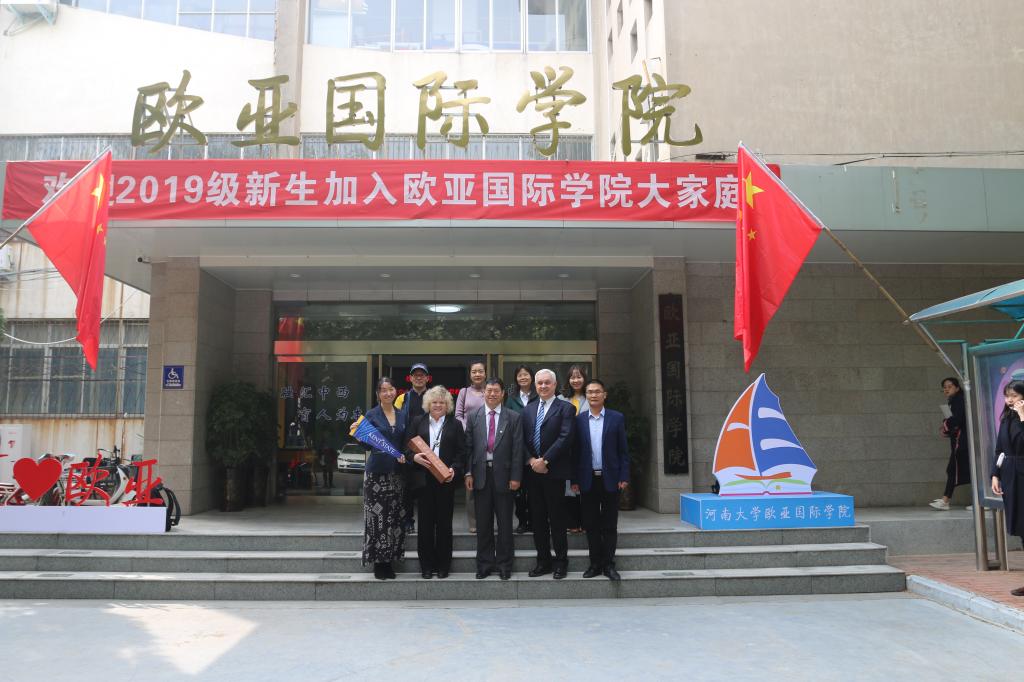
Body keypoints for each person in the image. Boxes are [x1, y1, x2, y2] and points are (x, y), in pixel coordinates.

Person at [464, 378, 525, 580]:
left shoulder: (513, 417)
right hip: (480, 476)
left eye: (496, 391)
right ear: (484, 393)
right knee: (483, 524)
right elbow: (468, 448)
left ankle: (505, 564)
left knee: (505, 523)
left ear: (502, 393)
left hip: (505, 477)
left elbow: (517, 450)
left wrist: (516, 477)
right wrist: (468, 472)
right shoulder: (473, 416)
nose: (492, 394)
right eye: (489, 390)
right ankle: (485, 564)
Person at [571, 379, 629, 581]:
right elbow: (575, 453)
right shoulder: (579, 420)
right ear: (586, 395)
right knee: (591, 524)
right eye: (590, 392)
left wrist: (624, 476)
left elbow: (623, 451)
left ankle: (609, 565)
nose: (593, 395)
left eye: (597, 391)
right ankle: (595, 564)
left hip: (611, 478)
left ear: (605, 395)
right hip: (587, 479)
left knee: (610, 525)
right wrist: (574, 479)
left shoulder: (616, 418)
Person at [521, 368, 576, 579]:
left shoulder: (566, 408)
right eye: (540, 383)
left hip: (554, 472)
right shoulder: (528, 409)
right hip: (532, 473)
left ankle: (561, 562)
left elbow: (565, 438)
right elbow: (521, 439)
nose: (543, 386)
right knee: (538, 519)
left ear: (555, 385)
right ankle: (543, 561)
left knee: (557, 519)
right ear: (535, 386)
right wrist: (531, 461)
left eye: (547, 382)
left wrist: (545, 460)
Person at [407, 385, 466, 579]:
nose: (438, 405)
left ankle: (443, 566)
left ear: (447, 405)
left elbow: (461, 452)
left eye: (442, 402)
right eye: (434, 402)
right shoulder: (418, 422)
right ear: (428, 404)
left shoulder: (455, 424)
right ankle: (426, 566)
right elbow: (406, 447)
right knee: (425, 525)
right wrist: (413, 458)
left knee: (444, 525)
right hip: (423, 481)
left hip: (445, 481)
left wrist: (455, 469)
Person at [361, 377, 408, 580]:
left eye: (391, 389)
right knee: (377, 518)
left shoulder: (402, 415)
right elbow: (366, 445)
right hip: (376, 475)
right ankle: (379, 564)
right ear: (378, 394)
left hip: (397, 474)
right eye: (384, 390)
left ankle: (390, 560)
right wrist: (359, 435)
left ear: (395, 391)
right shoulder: (371, 415)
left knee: (394, 518)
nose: (388, 393)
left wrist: (406, 454)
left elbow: (406, 442)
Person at [992, 380, 1024, 596]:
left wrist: (1023, 417)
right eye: (1007, 396)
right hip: (1011, 476)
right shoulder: (1006, 418)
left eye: (1014, 396)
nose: (1010, 400)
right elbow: (999, 450)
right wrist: (995, 474)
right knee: (1021, 529)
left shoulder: (1019, 418)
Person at [395, 362, 430, 533]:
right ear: (410, 378)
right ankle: (408, 520)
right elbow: (395, 421)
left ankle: (427, 521)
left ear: (427, 378)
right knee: (407, 487)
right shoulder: (402, 398)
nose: (419, 378)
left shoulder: (433, 397)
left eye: (422, 375)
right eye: (415, 375)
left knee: (427, 487)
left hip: (429, 447)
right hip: (408, 447)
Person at [456, 361, 487, 534]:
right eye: (474, 371)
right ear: (470, 374)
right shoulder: (464, 392)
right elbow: (458, 415)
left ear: (485, 373)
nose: (477, 374)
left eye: (480, 371)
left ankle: (487, 519)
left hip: (489, 440)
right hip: (469, 440)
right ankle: (473, 521)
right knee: (470, 480)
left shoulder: (490, 390)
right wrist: (468, 429)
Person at [930, 377, 970, 511]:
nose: (946, 389)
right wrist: (947, 428)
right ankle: (945, 500)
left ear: (957, 388)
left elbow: (956, 420)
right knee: (958, 470)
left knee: (956, 470)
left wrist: (945, 425)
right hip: (961, 442)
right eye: (944, 387)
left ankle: (945, 500)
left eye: (949, 386)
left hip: (963, 442)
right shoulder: (956, 400)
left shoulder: (959, 400)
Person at [505, 364, 536, 534]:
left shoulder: (538, 395)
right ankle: (522, 521)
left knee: (534, 489)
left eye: (526, 374)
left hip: (535, 450)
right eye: (520, 375)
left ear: (532, 377)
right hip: (516, 448)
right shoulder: (511, 399)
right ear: (516, 379)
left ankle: (535, 520)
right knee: (518, 489)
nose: (523, 377)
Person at [561, 365, 588, 534]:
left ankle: (586, 521)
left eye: (579, 377)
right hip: (567, 450)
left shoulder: (591, 396)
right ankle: (571, 522)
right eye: (572, 377)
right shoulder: (561, 399)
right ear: (568, 380)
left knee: (585, 485)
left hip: (586, 448)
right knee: (569, 487)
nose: (576, 380)